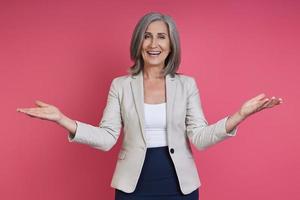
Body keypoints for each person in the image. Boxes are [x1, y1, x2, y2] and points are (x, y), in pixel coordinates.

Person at [17, 12, 283, 200]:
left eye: (161, 37)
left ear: (171, 45)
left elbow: (200, 138)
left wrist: (240, 115)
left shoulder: (186, 85)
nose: (154, 44)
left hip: (180, 184)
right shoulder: (121, 85)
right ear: (138, 43)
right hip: (134, 185)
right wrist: (63, 119)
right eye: (147, 36)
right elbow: (107, 137)